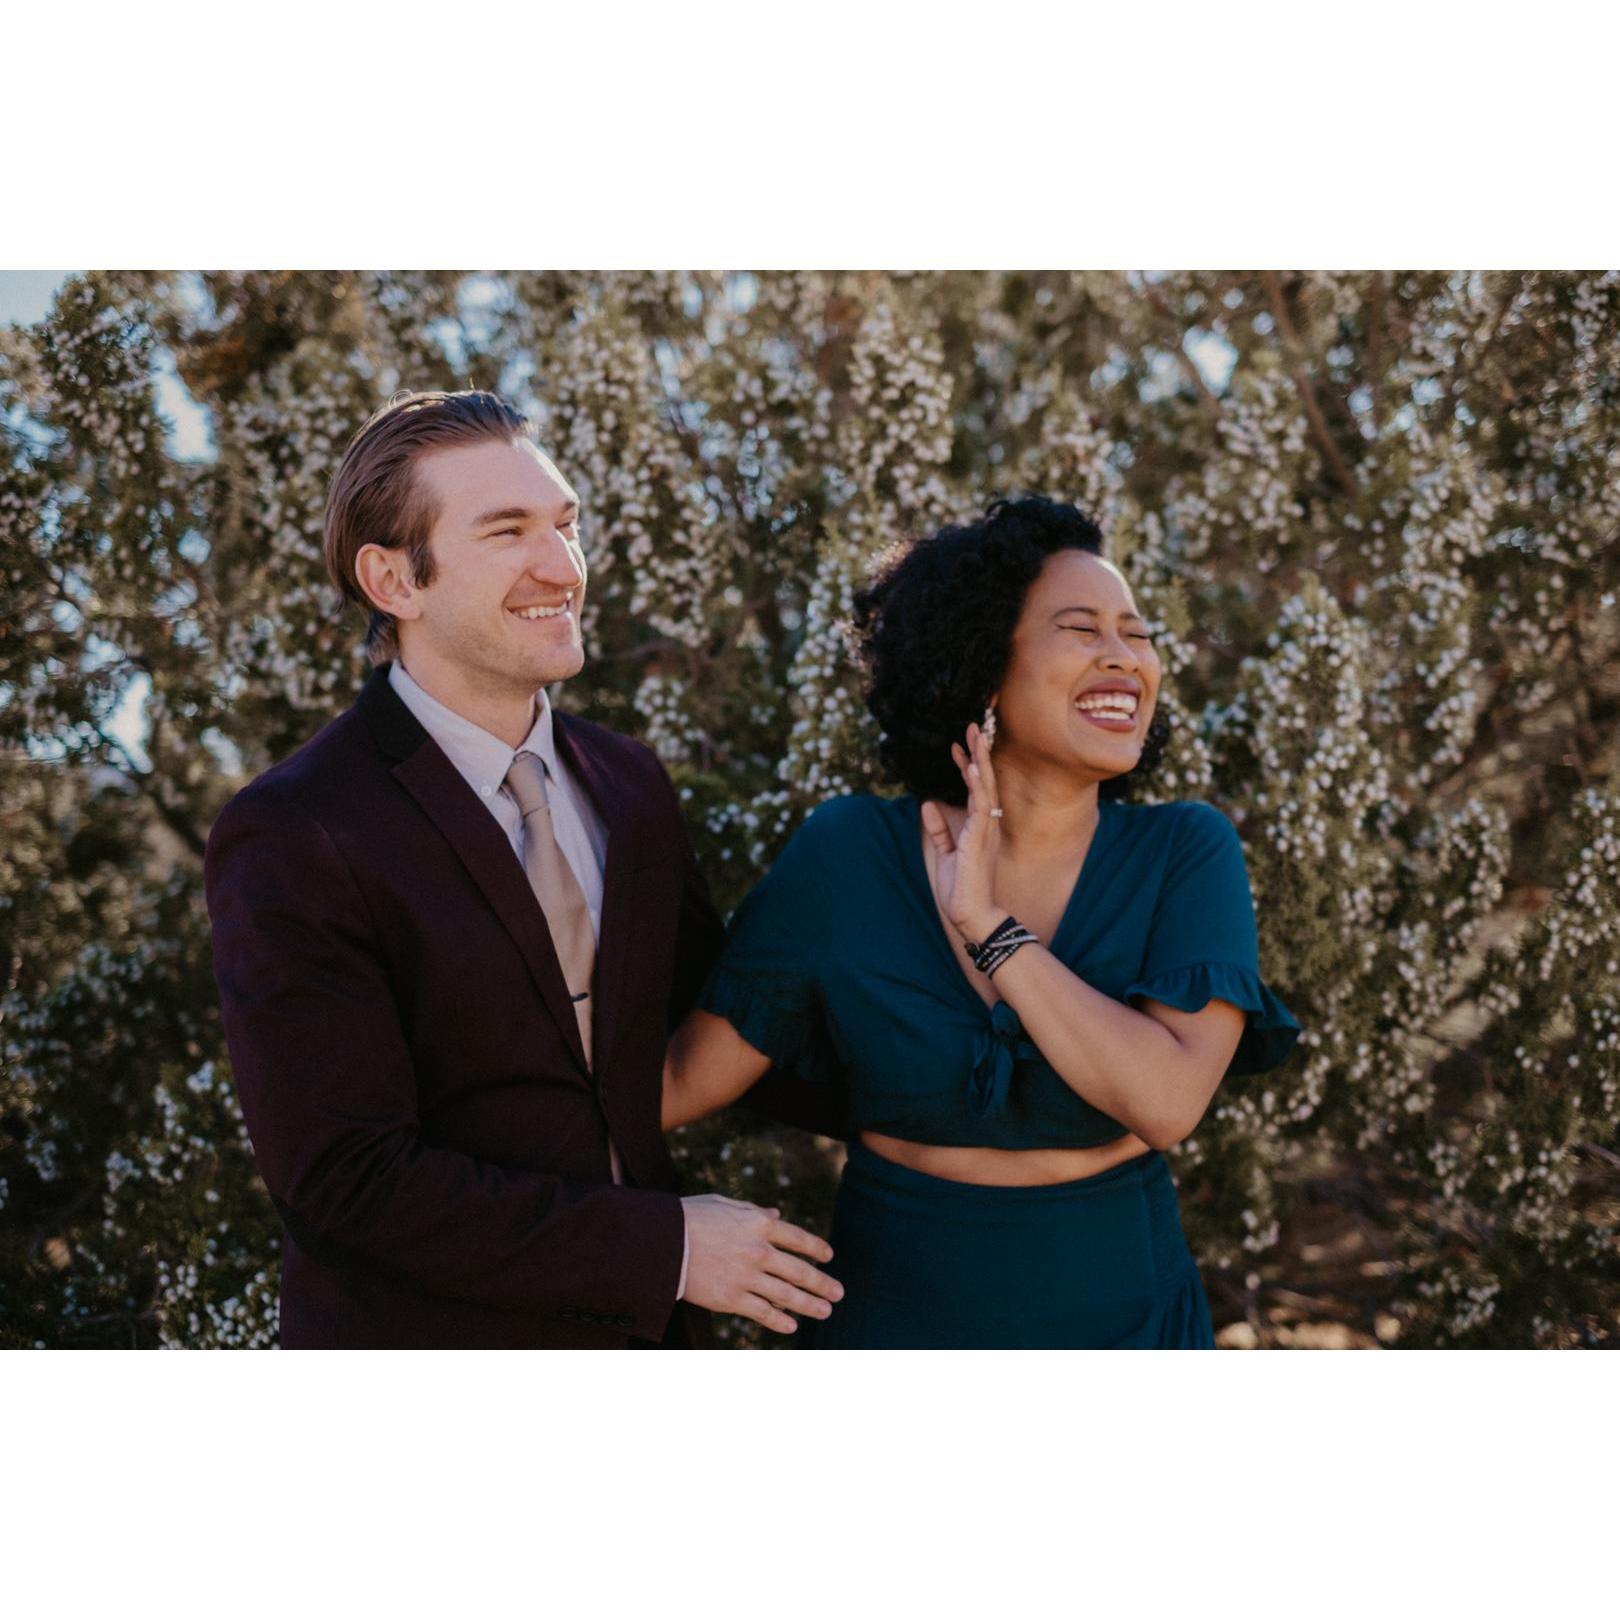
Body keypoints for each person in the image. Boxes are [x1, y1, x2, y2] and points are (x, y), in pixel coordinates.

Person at [204, 388, 843, 1348]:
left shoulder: (628, 783)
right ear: (394, 580)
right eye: (508, 532)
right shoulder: (295, 830)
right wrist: (665, 1249)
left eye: (567, 524)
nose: (563, 567)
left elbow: (718, 1019)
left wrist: (979, 1083)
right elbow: (345, 1183)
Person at [662, 495, 1303, 1349]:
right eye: (1082, 629)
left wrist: (991, 928)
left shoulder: (1185, 851)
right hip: (891, 1325)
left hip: (1122, 1322)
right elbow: (677, 1085)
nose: (1125, 659)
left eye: (1138, 634)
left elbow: (1167, 1100)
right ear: (978, 665)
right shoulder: (848, 855)